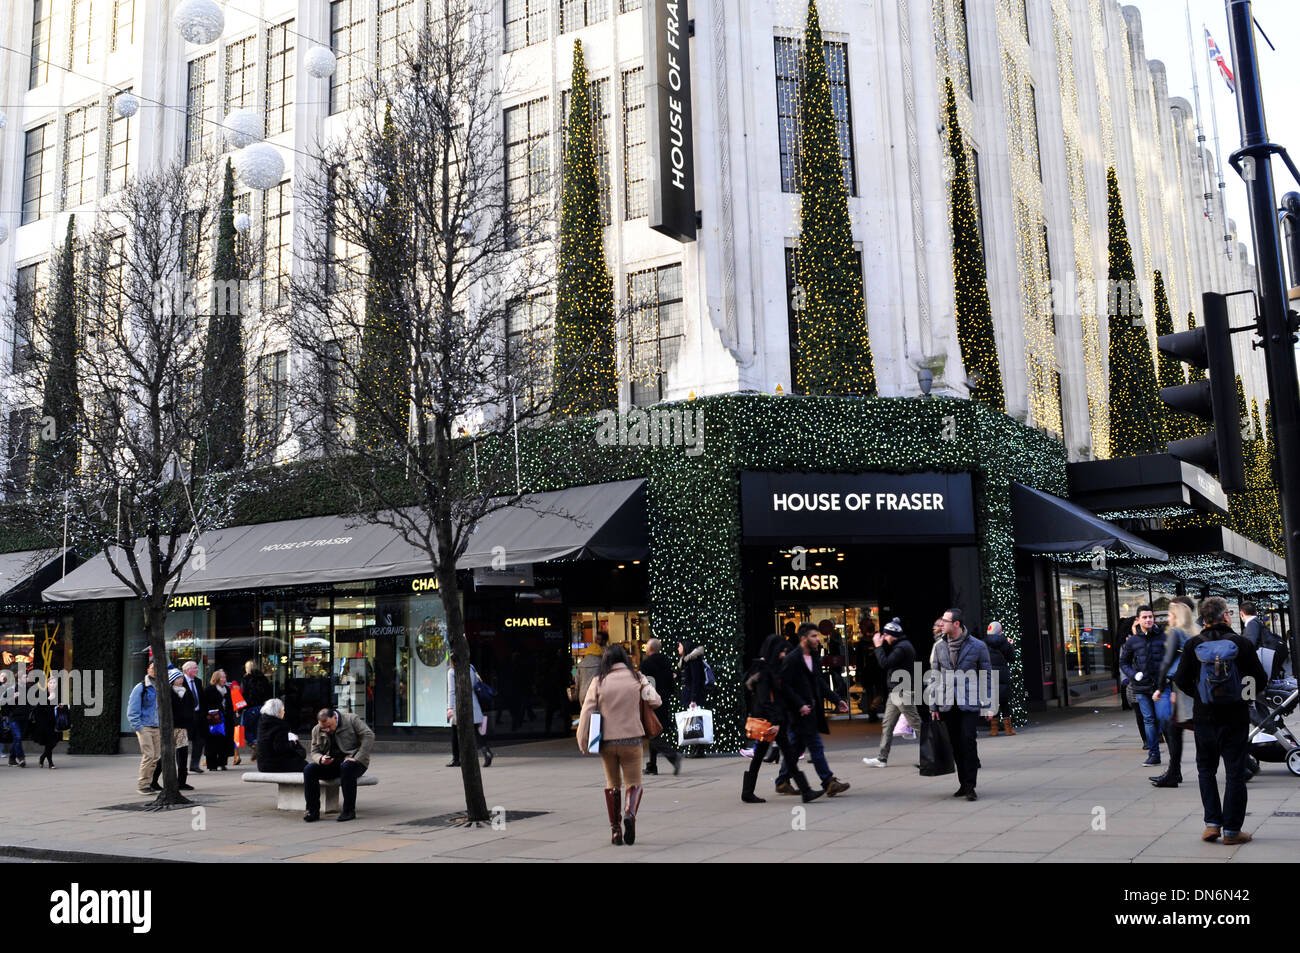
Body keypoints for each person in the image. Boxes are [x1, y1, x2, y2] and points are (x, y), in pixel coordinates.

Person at [1173, 596, 1268, 846]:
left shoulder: (1194, 644)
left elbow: (1181, 680)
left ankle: (1211, 825)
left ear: (1204, 619)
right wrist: (1242, 696)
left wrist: (1201, 696)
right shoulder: (1242, 644)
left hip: (1204, 718)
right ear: (1226, 616)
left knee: (1206, 770)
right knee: (1235, 772)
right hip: (1235, 716)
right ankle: (1233, 831)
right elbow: (1260, 678)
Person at [577, 644, 660, 846]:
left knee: (612, 784)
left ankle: (615, 832)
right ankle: (630, 813)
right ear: (625, 659)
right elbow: (656, 701)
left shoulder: (599, 681)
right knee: (634, 783)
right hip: (632, 739)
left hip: (606, 741)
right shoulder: (637, 677)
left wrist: (583, 740)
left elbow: (587, 712)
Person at [742, 633, 823, 803]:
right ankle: (805, 791)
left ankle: (748, 792)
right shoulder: (764, 671)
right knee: (785, 754)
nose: (783, 655)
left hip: (771, 720)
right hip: (770, 722)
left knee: (778, 755)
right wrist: (777, 722)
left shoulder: (765, 669)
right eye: (781, 651)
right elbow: (766, 700)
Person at [775, 622, 850, 797]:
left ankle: (781, 781)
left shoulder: (814, 658)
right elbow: (784, 686)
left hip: (811, 710)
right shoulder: (792, 659)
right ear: (803, 639)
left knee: (795, 748)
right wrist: (799, 704)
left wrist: (837, 700)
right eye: (813, 636)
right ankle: (828, 782)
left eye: (817, 636)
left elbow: (820, 683)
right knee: (816, 746)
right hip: (799, 713)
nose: (818, 639)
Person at [929, 608, 992, 801]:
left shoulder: (978, 646)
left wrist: (989, 704)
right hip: (947, 703)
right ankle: (963, 784)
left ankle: (971, 786)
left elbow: (987, 676)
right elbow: (935, 677)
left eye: (945, 621)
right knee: (955, 745)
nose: (941, 624)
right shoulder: (939, 646)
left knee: (968, 742)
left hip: (969, 702)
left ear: (956, 624)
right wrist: (933, 705)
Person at [1150, 596, 1195, 789]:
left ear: (1175, 616)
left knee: (1176, 728)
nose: (1167, 618)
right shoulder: (1193, 631)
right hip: (1190, 685)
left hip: (1179, 685)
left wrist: (1159, 687)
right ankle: (1173, 772)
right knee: (1176, 727)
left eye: (1169, 614)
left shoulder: (1176, 632)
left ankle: (1173, 774)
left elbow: (1167, 662)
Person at [863, 618, 921, 767]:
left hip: (901, 691)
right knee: (887, 725)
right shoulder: (902, 646)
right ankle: (882, 758)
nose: (885, 638)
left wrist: (877, 646)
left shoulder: (902, 648)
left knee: (917, 724)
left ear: (892, 635)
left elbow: (885, 663)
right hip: (896, 691)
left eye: (886, 635)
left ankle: (933, 754)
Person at [304, 708, 375, 822]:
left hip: (355, 762)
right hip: (332, 763)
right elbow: (314, 751)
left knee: (346, 768)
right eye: (324, 727)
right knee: (309, 769)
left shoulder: (352, 719)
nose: (327, 730)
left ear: (335, 718)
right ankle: (312, 811)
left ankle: (348, 811)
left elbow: (369, 735)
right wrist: (321, 759)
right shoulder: (317, 729)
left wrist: (356, 758)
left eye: (329, 726)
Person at [1119, 606, 1168, 768]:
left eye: (1150, 617)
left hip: (1161, 687)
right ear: (1138, 620)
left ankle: (1173, 754)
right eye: (1145, 617)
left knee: (1163, 719)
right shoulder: (1133, 641)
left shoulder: (1163, 637)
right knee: (1148, 720)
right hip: (1142, 687)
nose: (1148, 620)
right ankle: (1154, 753)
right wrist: (1134, 675)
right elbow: (1123, 662)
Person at [638, 638, 679, 775]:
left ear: (650, 649)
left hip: (651, 702)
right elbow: (670, 681)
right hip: (664, 701)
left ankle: (672, 755)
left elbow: (644, 683)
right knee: (654, 731)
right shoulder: (666, 661)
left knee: (652, 733)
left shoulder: (646, 664)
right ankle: (652, 765)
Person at [151, 666, 195, 791]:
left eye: (181, 677)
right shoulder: (168, 692)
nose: (180, 680)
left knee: (183, 754)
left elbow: (193, 705)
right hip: (171, 728)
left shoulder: (187, 692)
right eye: (178, 678)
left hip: (183, 728)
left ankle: (182, 782)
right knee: (166, 754)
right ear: (172, 680)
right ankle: (153, 780)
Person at [446, 659, 493, 768]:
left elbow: (452, 691)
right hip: (474, 703)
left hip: (460, 704)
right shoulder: (471, 667)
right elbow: (477, 683)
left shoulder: (452, 671)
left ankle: (456, 759)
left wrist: (450, 708)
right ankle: (486, 752)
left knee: (455, 731)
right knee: (477, 731)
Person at [126, 660, 160, 794]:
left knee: (156, 756)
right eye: (153, 668)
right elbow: (132, 709)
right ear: (148, 670)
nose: (155, 670)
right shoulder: (141, 687)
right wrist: (138, 727)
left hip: (157, 727)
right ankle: (142, 784)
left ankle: (149, 783)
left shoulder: (161, 686)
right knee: (149, 755)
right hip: (144, 726)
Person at [983, 621, 1017, 736]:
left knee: (993, 700)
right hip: (1002, 674)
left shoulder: (983, 643)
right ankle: (1008, 729)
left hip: (989, 674)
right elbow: (1012, 658)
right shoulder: (1005, 643)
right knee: (1004, 701)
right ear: (1000, 631)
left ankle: (994, 730)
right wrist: (1010, 645)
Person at [256, 698, 308, 772]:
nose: (284, 712)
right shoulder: (279, 726)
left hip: (262, 764)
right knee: (305, 765)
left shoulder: (263, 723)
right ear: (277, 711)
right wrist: (293, 742)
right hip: (273, 764)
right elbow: (280, 748)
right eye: (282, 710)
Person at [29, 674, 67, 770]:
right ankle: (50, 763)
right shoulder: (43, 693)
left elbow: (58, 708)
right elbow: (37, 708)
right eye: (51, 682)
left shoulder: (58, 694)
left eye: (54, 683)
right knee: (49, 742)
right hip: (45, 723)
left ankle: (42, 757)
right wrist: (47, 699)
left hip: (55, 722)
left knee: (54, 742)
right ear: (47, 684)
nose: (53, 684)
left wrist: (61, 706)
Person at [678, 637, 708, 757]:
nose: (678, 648)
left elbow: (696, 680)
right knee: (694, 722)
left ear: (684, 646)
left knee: (696, 722)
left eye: (679, 646)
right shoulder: (686, 660)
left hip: (693, 696)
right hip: (690, 694)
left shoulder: (693, 660)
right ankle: (696, 749)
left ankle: (699, 749)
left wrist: (693, 699)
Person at [202, 669, 236, 771]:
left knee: (224, 741)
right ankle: (212, 765)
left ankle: (222, 762)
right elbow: (205, 704)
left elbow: (230, 704)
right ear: (216, 678)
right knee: (212, 742)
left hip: (226, 719)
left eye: (225, 677)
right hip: (214, 720)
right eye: (222, 677)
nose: (224, 679)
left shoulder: (227, 689)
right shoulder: (209, 689)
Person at [239, 660, 273, 758]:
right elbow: (268, 693)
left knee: (245, 730)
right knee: (256, 729)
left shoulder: (246, 679)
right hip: (261, 707)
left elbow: (243, 694)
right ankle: (256, 747)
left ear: (247, 668)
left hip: (249, 707)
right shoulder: (263, 678)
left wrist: (239, 710)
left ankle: (255, 745)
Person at [574, 632, 607, 725]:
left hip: (583, 694)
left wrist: (575, 693)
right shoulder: (602, 662)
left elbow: (575, 676)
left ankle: (587, 734)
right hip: (597, 693)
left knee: (586, 717)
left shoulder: (580, 664)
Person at [181, 661, 206, 773]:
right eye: (194, 668)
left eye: (197, 667)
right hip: (186, 717)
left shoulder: (198, 681)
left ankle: (194, 765)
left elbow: (201, 698)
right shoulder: (180, 681)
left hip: (198, 715)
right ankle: (182, 768)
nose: (197, 670)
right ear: (187, 670)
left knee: (199, 741)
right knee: (183, 743)